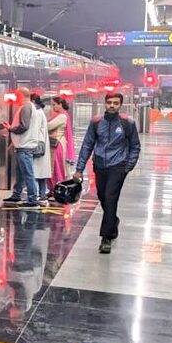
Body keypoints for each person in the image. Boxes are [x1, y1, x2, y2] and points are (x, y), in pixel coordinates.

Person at [73, 92, 141, 254]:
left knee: (111, 198)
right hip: (100, 166)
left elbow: (135, 146)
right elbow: (87, 145)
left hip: (118, 167)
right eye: (109, 102)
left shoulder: (127, 123)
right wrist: (79, 169)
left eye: (116, 103)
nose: (112, 105)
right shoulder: (96, 122)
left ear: (120, 105)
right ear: (105, 103)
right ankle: (113, 221)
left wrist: (128, 166)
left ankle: (106, 238)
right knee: (103, 197)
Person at [2, 87, 40, 208]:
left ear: (21, 95)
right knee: (20, 174)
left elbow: (24, 126)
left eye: (17, 96)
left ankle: (32, 198)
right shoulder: (29, 107)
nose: (15, 98)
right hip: (22, 146)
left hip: (25, 146)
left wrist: (10, 129)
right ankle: (16, 194)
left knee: (28, 173)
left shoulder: (26, 108)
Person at [30, 95, 52, 204]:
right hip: (42, 144)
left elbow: (35, 129)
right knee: (40, 173)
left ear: (33, 101)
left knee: (35, 172)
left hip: (38, 145)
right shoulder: (41, 111)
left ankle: (39, 194)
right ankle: (42, 194)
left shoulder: (37, 113)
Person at [47, 97, 71, 187]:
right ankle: (53, 188)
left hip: (57, 145)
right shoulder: (59, 115)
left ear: (60, 105)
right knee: (54, 166)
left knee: (57, 167)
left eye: (54, 105)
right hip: (55, 144)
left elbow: (48, 126)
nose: (53, 107)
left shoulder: (62, 116)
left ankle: (57, 187)